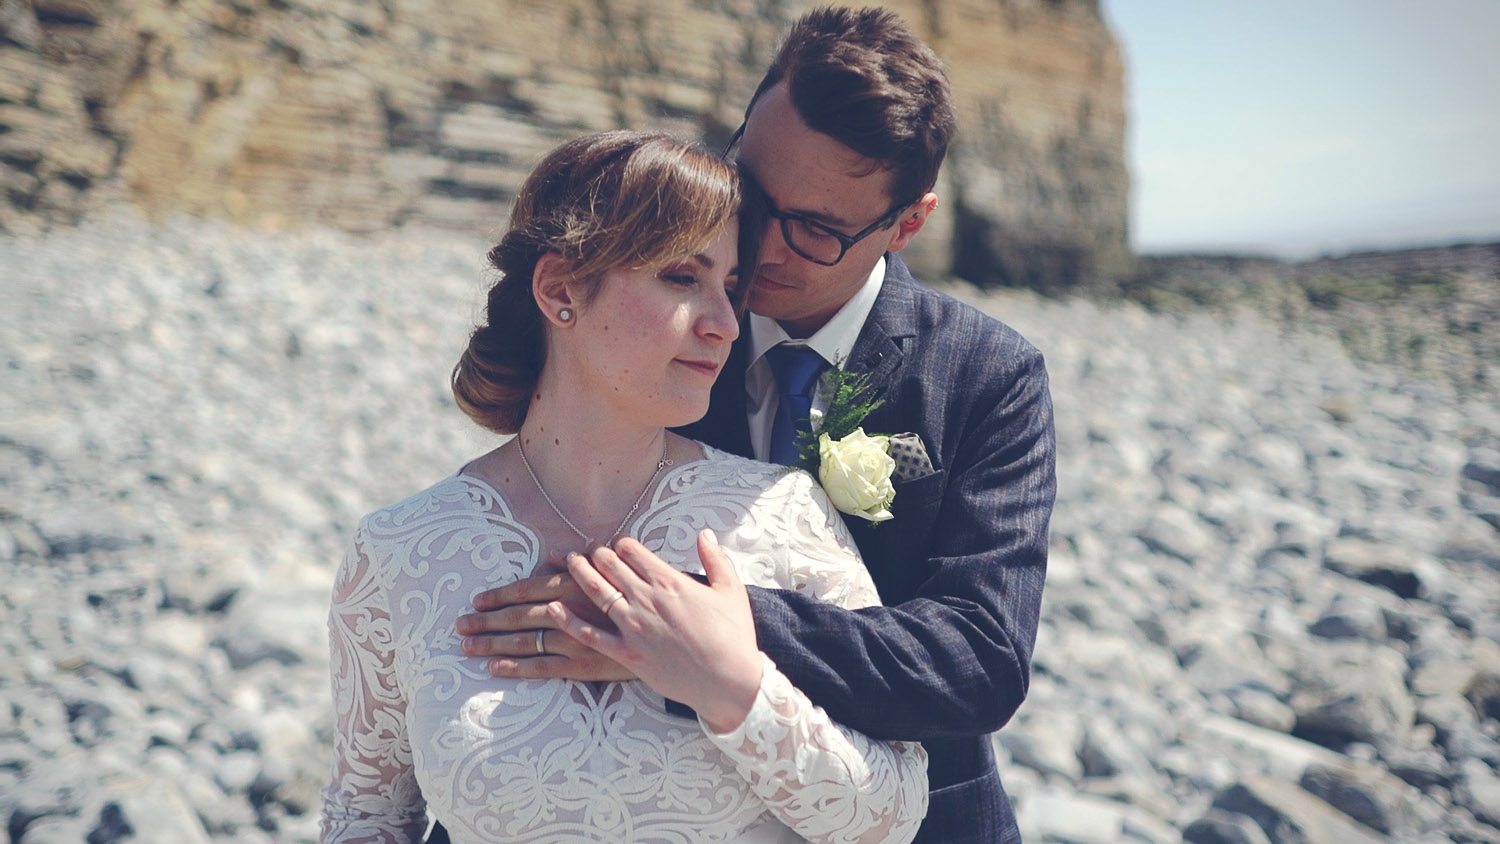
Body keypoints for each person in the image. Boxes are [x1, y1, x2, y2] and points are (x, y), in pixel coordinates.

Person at [453, 8, 1056, 843]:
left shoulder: (990, 377)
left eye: (813, 230)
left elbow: (978, 658)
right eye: (756, 191)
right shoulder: (644, 336)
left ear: (907, 225)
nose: (761, 241)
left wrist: (690, 629)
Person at [320, 130, 929, 844]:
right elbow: (365, 817)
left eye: (730, 288)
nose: (726, 324)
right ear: (561, 289)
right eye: (682, 277)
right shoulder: (399, 553)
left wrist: (728, 687)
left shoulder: (780, 514)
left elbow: (894, 814)